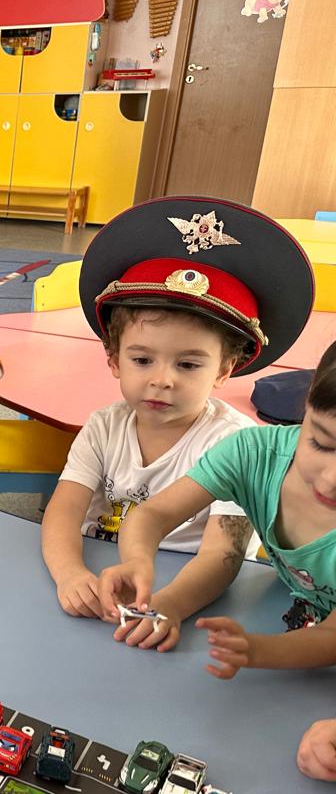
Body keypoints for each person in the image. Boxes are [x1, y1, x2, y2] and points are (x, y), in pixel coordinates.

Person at [38, 198, 321, 650]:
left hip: (186, 593)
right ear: (114, 359)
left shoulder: (235, 443)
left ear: (225, 369)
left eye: (188, 364)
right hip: (100, 580)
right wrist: (70, 573)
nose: (162, 380)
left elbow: (223, 555)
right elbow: (63, 511)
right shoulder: (103, 426)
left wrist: (170, 604)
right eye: (142, 359)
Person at [99, 337, 336, 679]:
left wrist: (257, 650)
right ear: (308, 400)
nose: (329, 480)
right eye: (321, 443)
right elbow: (152, 515)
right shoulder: (254, 453)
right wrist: (137, 560)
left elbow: (331, 637)